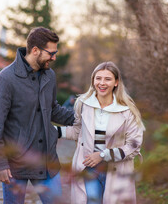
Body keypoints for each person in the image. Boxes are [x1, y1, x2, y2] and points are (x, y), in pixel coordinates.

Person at [0, 27, 74, 204]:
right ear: (35, 51)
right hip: (16, 165)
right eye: (51, 53)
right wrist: (0, 164)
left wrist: (82, 117)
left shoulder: (49, 76)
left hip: (47, 161)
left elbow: (53, 109)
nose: (54, 57)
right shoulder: (5, 80)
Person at [60, 61, 145, 204]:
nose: (102, 83)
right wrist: (53, 131)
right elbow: (77, 131)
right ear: (93, 81)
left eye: (108, 79)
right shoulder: (83, 104)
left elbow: (134, 146)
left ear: (116, 82)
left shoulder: (127, 111)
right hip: (89, 168)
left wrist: (102, 155)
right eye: (98, 78)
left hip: (117, 171)